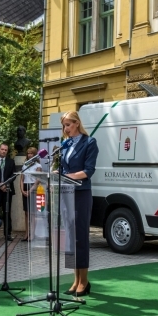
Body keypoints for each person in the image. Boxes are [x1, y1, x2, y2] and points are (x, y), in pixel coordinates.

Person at [60, 110, 99, 297]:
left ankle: (84, 281)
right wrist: (57, 174)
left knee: (80, 237)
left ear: (77, 123)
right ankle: (75, 280)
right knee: (70, 238)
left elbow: (88, 171)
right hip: (67, 193)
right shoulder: (65, 144)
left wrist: (68, 176)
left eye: (68, 125)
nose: (65, 129)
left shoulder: (89, 142)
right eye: (64, 125)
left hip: (81, 194)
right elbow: (63, 168)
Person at [20, 146, 44, 242]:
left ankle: (33, 234)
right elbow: (21, 179)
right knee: (26, 212)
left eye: (31, 153)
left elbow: (38, 180)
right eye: (28, 153)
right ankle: (27, 233)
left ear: (35, 155)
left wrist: (30, 190)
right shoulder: (25, 165)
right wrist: (22, 190)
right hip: (25, 187)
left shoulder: (38, 166)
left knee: (33, 213)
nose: (29, 155)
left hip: (33, 188)